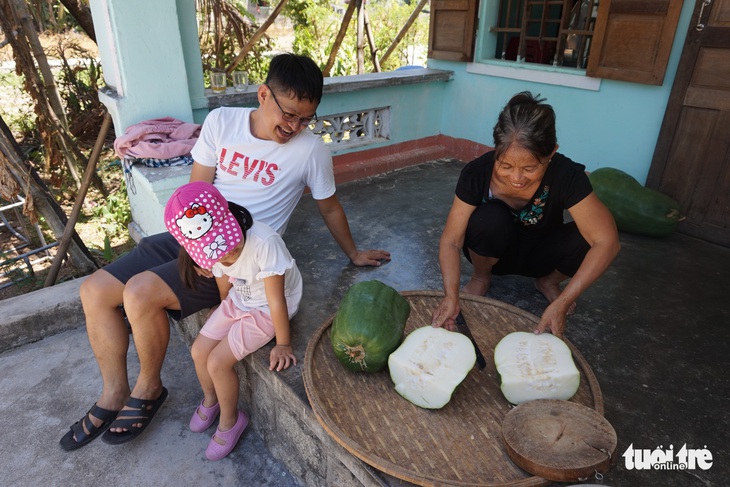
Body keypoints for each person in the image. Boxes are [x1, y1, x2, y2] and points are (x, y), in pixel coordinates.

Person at [60, 53, 390, 451]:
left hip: (239, 256)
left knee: (139, 293)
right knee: (94, 291)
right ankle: (113, 392)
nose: (295, 127)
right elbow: (196, 193)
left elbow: (329, 205)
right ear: (264, 93)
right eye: (289, 114)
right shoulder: (222, 122)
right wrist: (192, 248)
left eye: (306, 119)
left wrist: (353, 254)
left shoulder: (310, 151)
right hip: (192, 233)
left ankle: (148, 388)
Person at [430, 92, 620, 337]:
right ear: (496, 149)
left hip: (542, 254)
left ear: (551, 153)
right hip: (492, 254)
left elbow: (608, 242)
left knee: (589, 235)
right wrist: (451, 295)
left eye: (529, 168)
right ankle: (481, 277)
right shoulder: (477, 173)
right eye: (505, 165)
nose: (516, 178)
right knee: (488, 218)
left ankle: (548, 281)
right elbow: (451, 239)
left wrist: (562, 304)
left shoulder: (566, 175)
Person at [165, 181, 300, 461]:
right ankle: (211, 399)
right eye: (212, 253)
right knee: (199, 351)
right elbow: (224, 279)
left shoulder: (264, 243)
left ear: (229, 218)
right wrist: (223, 305)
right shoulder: (212, 250)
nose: (223, 255)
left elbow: (276, 300)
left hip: (267, 306)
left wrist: (284, 343)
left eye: (225, 247)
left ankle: (230, 420)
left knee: (217, 362)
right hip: (240, 298)